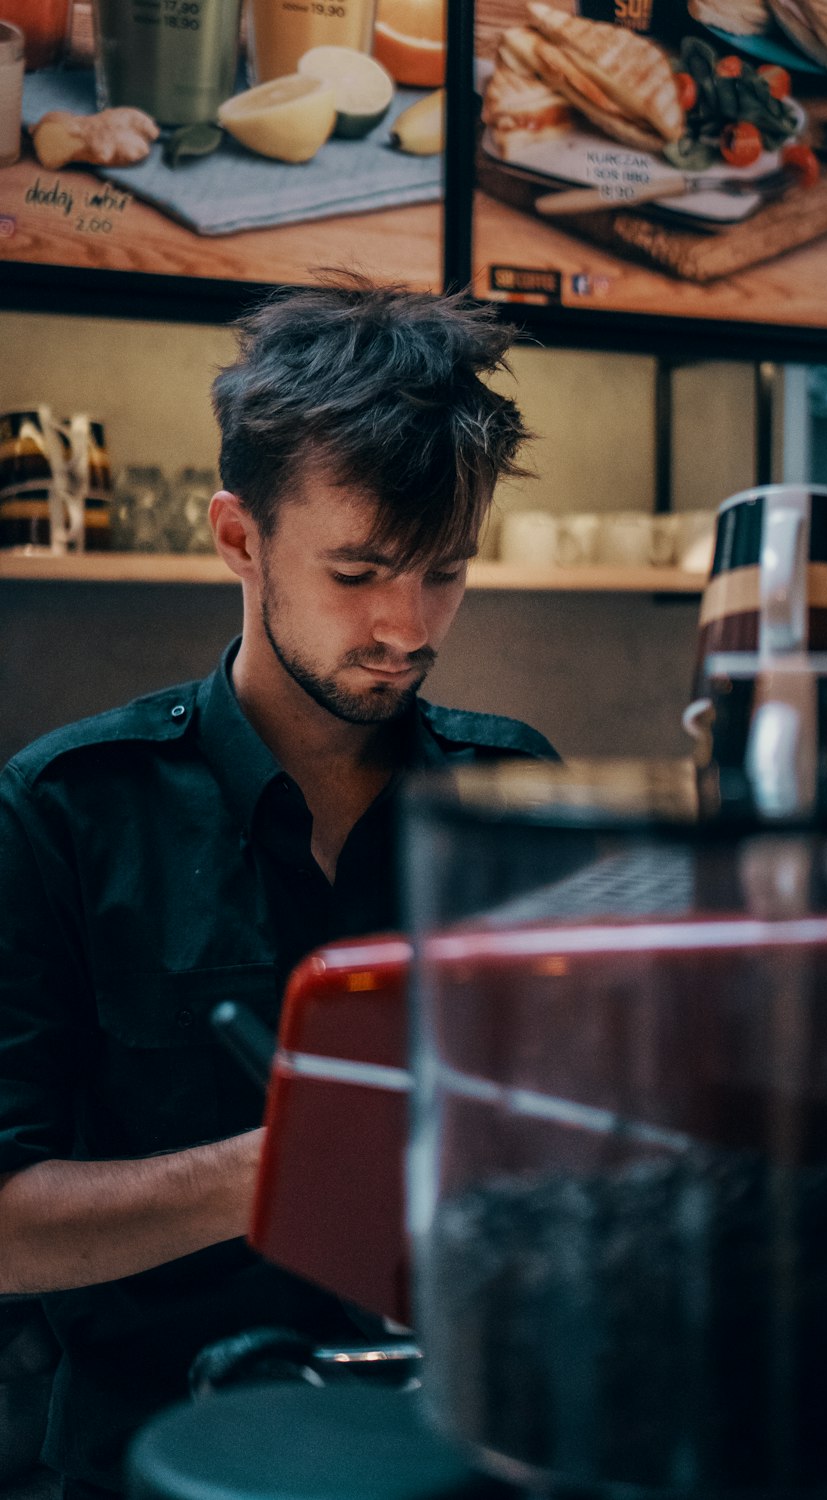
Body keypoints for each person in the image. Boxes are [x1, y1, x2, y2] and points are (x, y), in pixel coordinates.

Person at [0, 273, 559, 1500]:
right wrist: (292, 1163)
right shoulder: (64, 811)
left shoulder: (519, 801)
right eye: (359, 572)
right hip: (162, 1456)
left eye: (445, 573)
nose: (407, 628)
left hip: (469, 1445)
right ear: (238, 537)